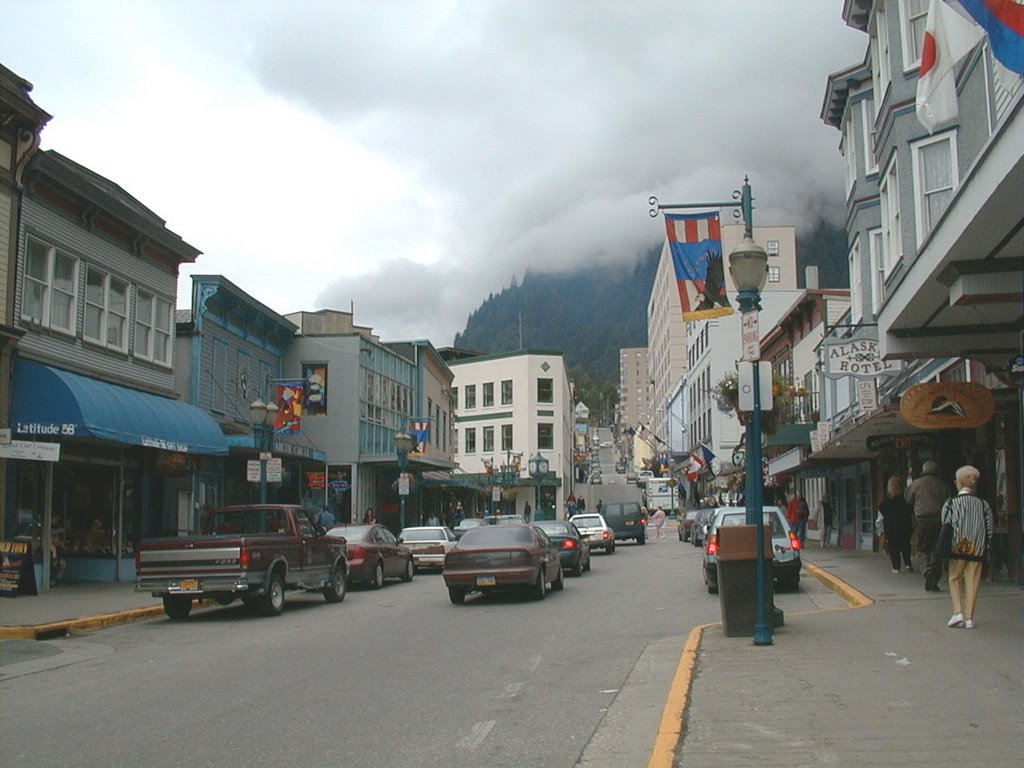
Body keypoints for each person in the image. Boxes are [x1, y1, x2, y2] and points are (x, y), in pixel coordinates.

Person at [941, 465, 993, 630]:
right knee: (973, 582)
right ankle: (969, 617)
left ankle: (958, 613)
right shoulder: (983, 505)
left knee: (954, 579)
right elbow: (989, 527)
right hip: (977, 550)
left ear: (959, 483)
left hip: (956, 548)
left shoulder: (951, 503)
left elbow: (945, 523)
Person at [905, 460, 951, 572]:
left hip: (922, 520)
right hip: (940, 520)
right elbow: (949, 502)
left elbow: (908, 500)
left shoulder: (916, 483)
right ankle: (935, 568)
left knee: (921, 547)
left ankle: (926, 569)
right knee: (936, 546)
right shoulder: (943, 485)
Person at [879, 476, 914, 573]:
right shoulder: (905, 498)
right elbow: (910, 509)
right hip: (905, 526)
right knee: (906, 546)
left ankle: (896, 567)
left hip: (892, 527)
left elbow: (881, 509)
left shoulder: (887, 499)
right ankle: (908, 564)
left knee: (894, 548)